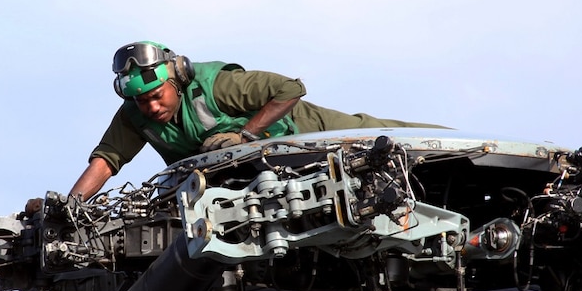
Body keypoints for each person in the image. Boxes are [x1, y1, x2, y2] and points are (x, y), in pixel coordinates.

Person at [68, 41, 446, 200]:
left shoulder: (216, 86)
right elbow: (106, 161)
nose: (150, 107)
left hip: (303, 130)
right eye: (141, 100)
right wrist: (72, 207)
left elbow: (289, 88)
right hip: (247, 181)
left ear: (178, 80)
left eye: (156, 96)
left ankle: (459, 144)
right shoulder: (135, 115)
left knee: (381, 136)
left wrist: (245, 133)